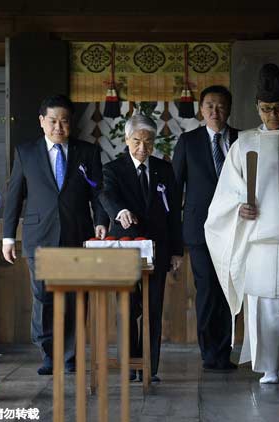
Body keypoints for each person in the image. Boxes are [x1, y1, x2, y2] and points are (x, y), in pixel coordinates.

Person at [205, 64, 279, 384]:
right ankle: (269, 367)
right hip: (260, 242)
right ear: (257, 109)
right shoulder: (244, 144)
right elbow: (223, 199)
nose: (273, 115)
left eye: (278, 108)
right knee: (264, 308)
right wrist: (239, 209)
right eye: (266, 109)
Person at [3, 94, 109, 375]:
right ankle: (49, 353)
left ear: (71, 123)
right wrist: (8, 236)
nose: (58, 127)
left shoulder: (87, 152)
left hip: (77, 233)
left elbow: (98, 192)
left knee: (75, 296)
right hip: (40, 236)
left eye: (64, 121)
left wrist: (101, 221)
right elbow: (14, 196)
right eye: (52, 121)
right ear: (42, 122)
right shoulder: (26, 152)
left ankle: (71, 355)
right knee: (44, 298)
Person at [100, 114, 183, 383]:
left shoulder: (164, 169)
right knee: (127, 308)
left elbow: (173, 215)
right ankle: (128, 365)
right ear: (127, 139)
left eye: (148, 143)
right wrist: (120, 211)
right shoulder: (113, 169)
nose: (142, 148)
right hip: (126, 247)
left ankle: (149, 367)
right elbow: (106, 195)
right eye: (137, 141)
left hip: (157, 248)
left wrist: (176, 251)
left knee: (153, 309)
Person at [173, 85, 239, 371]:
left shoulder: (240, 139)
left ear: (229, 109)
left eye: (221, 105)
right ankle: (209, 351)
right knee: (207, 288)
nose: (215, 111)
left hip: (235, 229)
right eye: (210, 105)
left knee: (228, 290)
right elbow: (175, 190)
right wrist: (175, 236)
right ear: (201, 110)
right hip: (199, 230)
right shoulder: (188, 142)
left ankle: (223, 352)